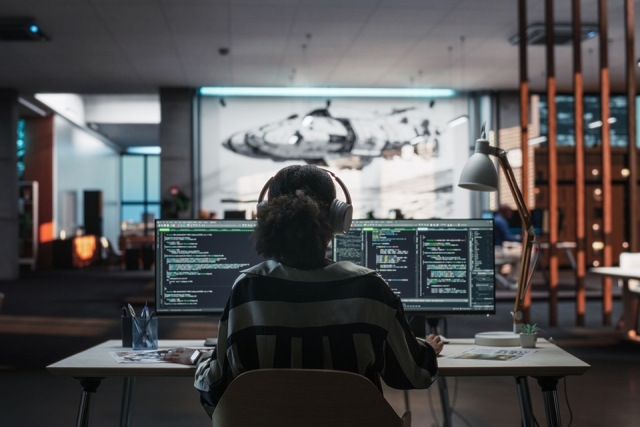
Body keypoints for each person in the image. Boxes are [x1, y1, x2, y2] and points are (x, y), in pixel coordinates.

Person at [161, 165, 444, 416]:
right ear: (338, 218)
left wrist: (198, 359)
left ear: (265, 215)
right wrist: (426, 351)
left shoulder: (248, 289)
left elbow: (216, 385)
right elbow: (414, 375)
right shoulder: (370, 288)